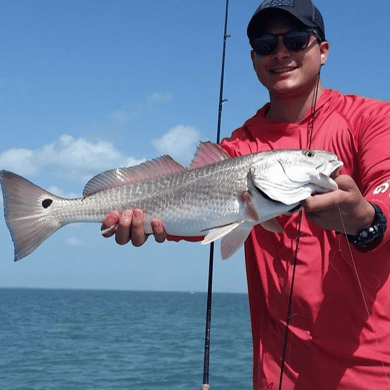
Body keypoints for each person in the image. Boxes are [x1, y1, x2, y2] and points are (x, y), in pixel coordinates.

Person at [102, 0, 390, 389]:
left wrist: (367, 219)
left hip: (370, 371)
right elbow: (200, 209)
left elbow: (386, 184)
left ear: (322, 50)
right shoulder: (237, 149)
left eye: (296, 38)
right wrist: (147, 220)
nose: (281, 51)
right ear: (254, 58)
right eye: (266, 44)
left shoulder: (372, 118)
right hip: (276, 375)